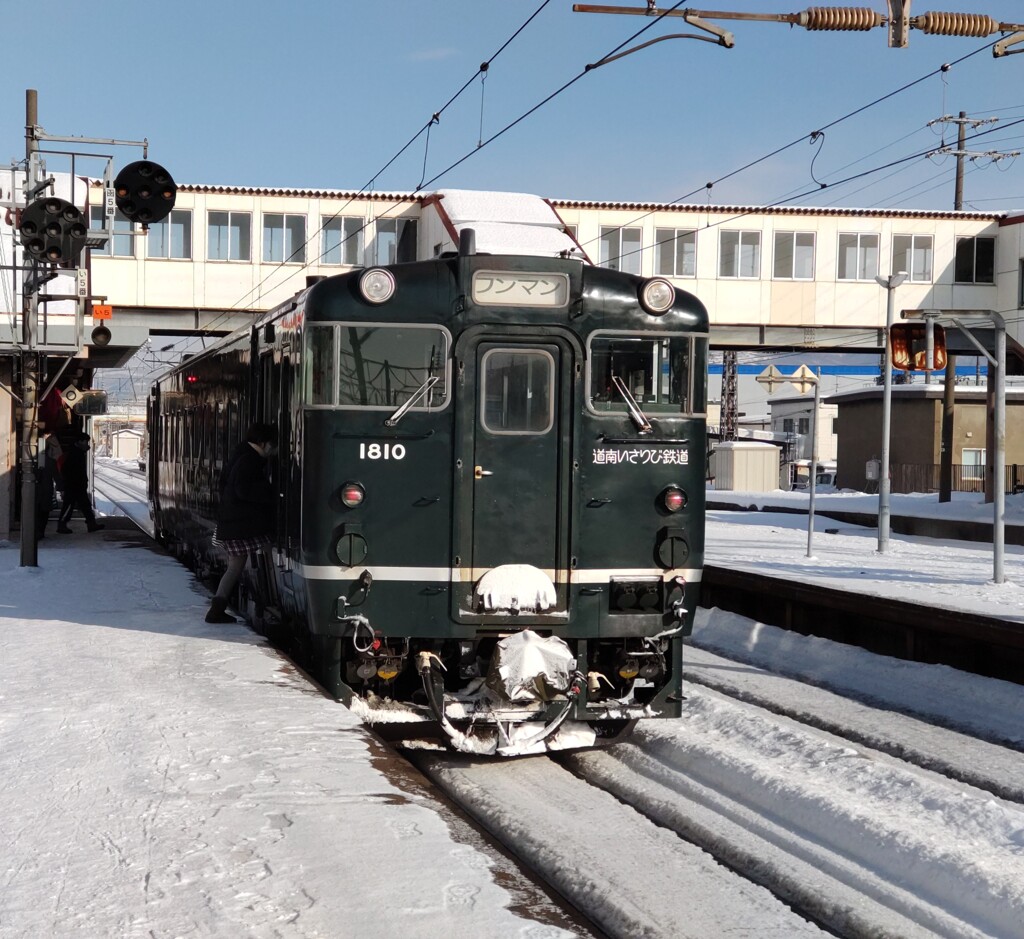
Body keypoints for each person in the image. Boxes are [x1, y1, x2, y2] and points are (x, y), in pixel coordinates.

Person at [205, 422, 277, 624]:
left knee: (235, 565)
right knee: (266, 547)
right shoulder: (249, 460)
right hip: (241, 525)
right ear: (263, 442)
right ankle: (271, 595)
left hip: (234, 523)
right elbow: (243, 490)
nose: (274, 449)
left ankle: (217, 609)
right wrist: (270, 493)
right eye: (272, 444)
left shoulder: (241, 455)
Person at [55, 432, 104, 534]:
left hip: (77, 484)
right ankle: (62, 524)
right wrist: (72, 482)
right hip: (73, 485)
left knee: (85, 505)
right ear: (79, 442)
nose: (87, 444)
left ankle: (91, 524)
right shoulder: (75, 454)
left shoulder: (77, 452)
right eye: (86, 441)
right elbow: (70, 470)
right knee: (69, 505)